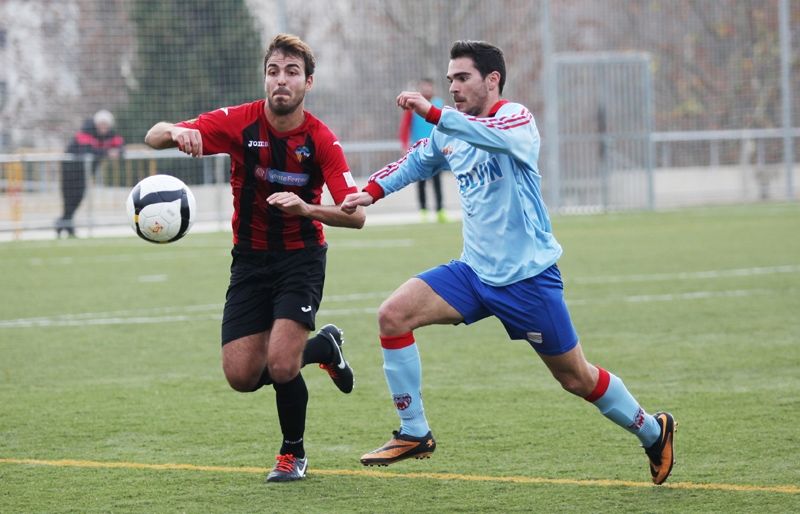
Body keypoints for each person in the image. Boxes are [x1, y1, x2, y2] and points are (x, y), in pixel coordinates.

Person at [342, 40, 676, 485]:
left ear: (492, 80)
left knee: (576, 378)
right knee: (392, 315)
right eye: (450, 79)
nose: (454, 87)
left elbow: (487, 134)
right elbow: (416, 162)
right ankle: (414, 432)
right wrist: (371, 191)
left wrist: (435, 113)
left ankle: (653, 431)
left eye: (463, 78)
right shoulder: (449, 130)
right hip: (473, 273)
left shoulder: (516, 119)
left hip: (528, 281)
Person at [144, 34, 366, 483]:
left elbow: (356, 215)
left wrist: (306, 208)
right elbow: (153, 136)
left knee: (282, 364)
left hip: (301, 258)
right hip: (249, 261)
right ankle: (323, 347)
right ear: (264, 78)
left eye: (292, 72)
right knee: (241, 376)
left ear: (308, 82)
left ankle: (292, 453)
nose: (281, 80)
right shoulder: (239, 123)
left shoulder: (321, 139)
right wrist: (176, 132)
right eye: (273, 71)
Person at [56, 109, 124, 237]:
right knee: (69, 199)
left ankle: (64, 224)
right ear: (96, 124)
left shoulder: (111, 135)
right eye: (101, 124)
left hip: (85, 173)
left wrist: (117, 152)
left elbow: (120, 147)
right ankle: (64, 224)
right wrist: (107, 152)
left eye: (106, 125)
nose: (104, 127)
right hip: (70, 171)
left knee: (78, 198)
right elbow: (86, 151)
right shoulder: (86, 131)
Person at [398, 78, 447, 223]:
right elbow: (405, 126)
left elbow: (445, 125)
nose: (427, 90)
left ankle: (440, 210)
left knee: (437, 181)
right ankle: (423, 210)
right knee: (421, 181)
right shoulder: (413, 106)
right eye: (424, 87)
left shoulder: (439, 104)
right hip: (419, 149)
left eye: (429, 87)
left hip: (436, 148)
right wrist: (404, 144)